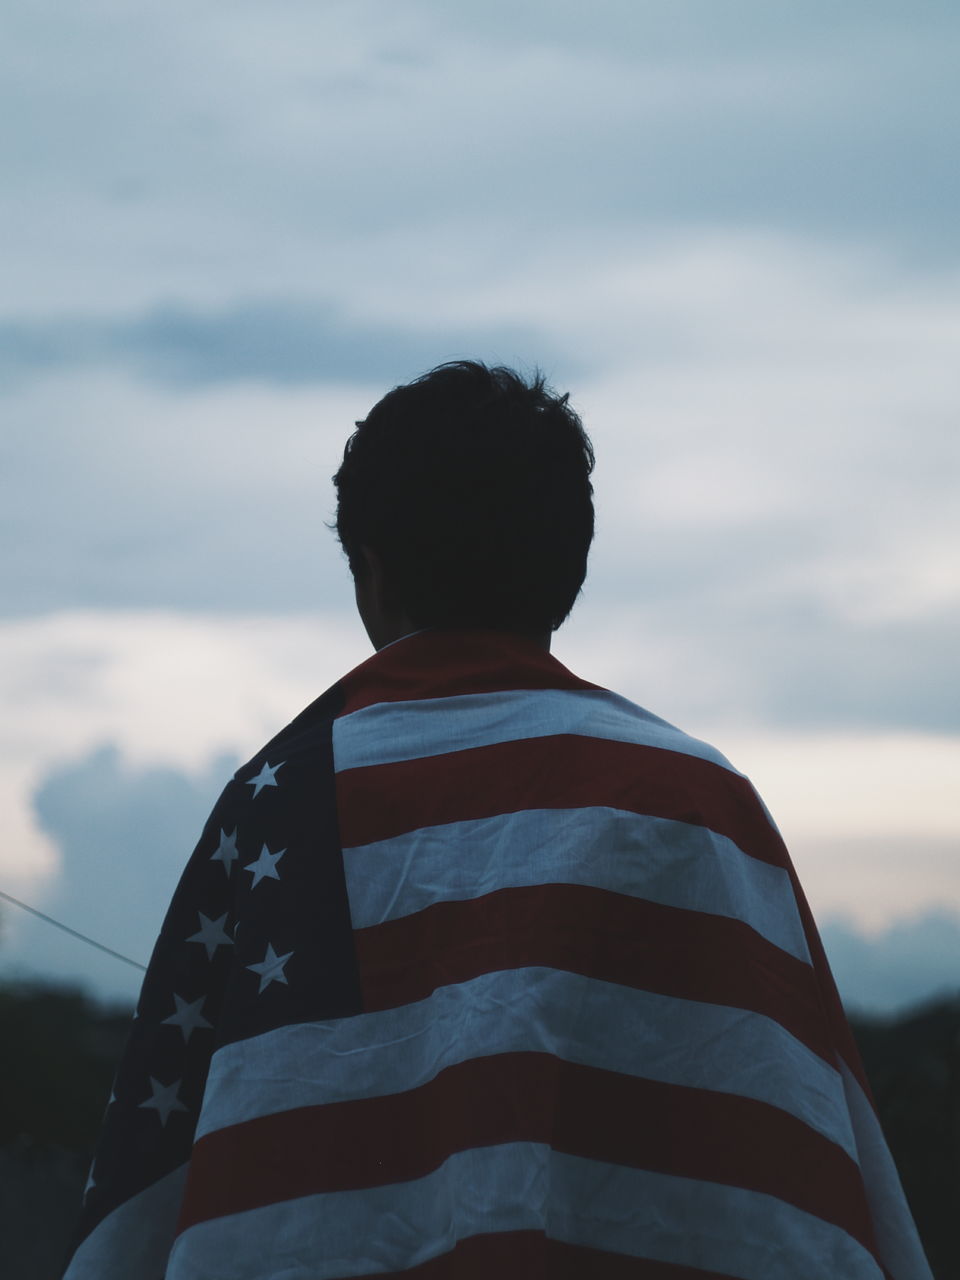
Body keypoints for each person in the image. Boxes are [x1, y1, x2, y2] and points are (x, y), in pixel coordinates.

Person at [63, 362, 931, 1279]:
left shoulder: (279, 797)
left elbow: (155, 1200)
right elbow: (799, 1174)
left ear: (372, 573)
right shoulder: (698, 798)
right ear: (571, 569)